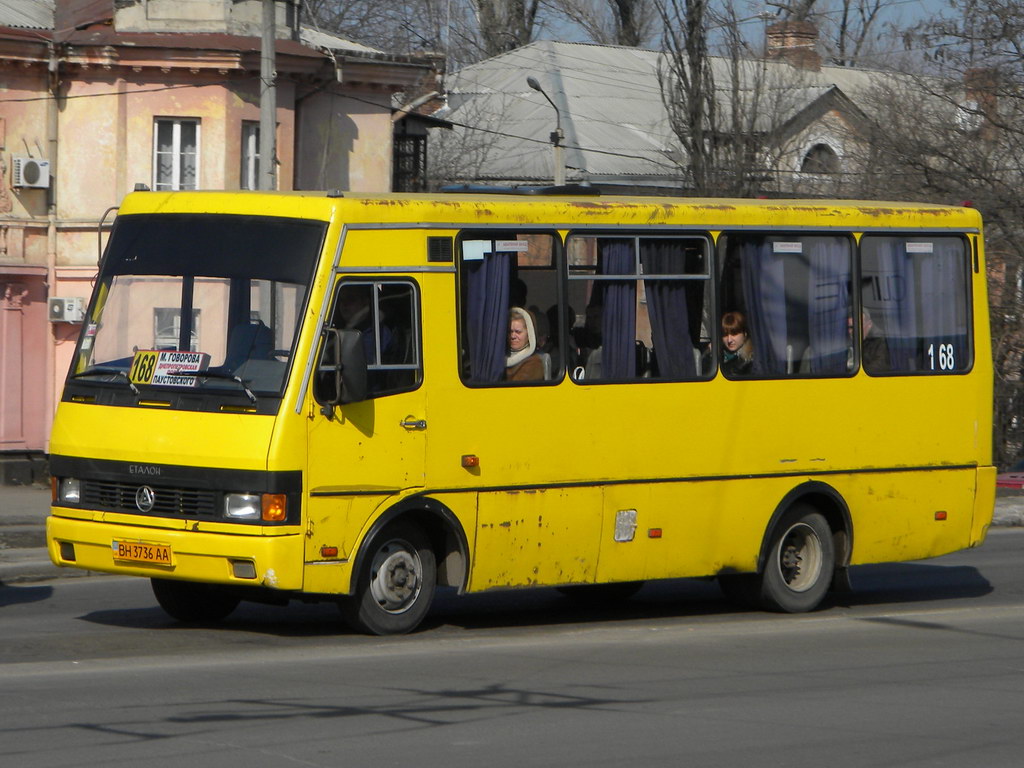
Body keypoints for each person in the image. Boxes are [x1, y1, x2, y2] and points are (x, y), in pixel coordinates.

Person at [505, 306, 545, 381]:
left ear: (529, 334)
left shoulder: (534, 363)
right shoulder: (498, 358)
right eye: (509, 332)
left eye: (518, 332)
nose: (513, 336)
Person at [721, 311, 753, 375]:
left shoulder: (750, 360)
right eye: (725, 335)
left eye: (734, 333)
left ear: (745, 334)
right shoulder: (715, 355)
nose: (729, 340)